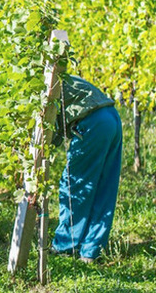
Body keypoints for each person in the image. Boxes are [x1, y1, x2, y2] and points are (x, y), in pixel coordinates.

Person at [51, 75, 122, 263]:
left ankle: (65, 245)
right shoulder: (61, 76)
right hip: (112, 117)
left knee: (74, 185)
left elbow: (49, 131)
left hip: (92, 123)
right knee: (103, 187)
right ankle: (91, 250)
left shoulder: (43, 84)